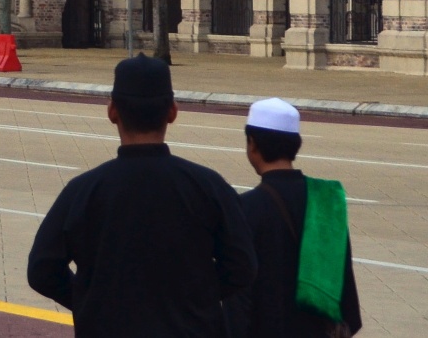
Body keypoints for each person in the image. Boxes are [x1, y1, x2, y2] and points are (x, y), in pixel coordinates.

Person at [26, 54, 256, 337]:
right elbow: (242, 265)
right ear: (172, 111)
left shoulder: (84, 190)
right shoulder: (208, 187)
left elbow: (42, 269)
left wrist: (91, 302)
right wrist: (197, 299)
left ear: (112, 112)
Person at [227, 98, 361, 338]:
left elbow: (238, 302)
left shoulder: (244, 208)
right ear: (296, 145)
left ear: (252, 144)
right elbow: (347, 301)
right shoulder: (326, 202)